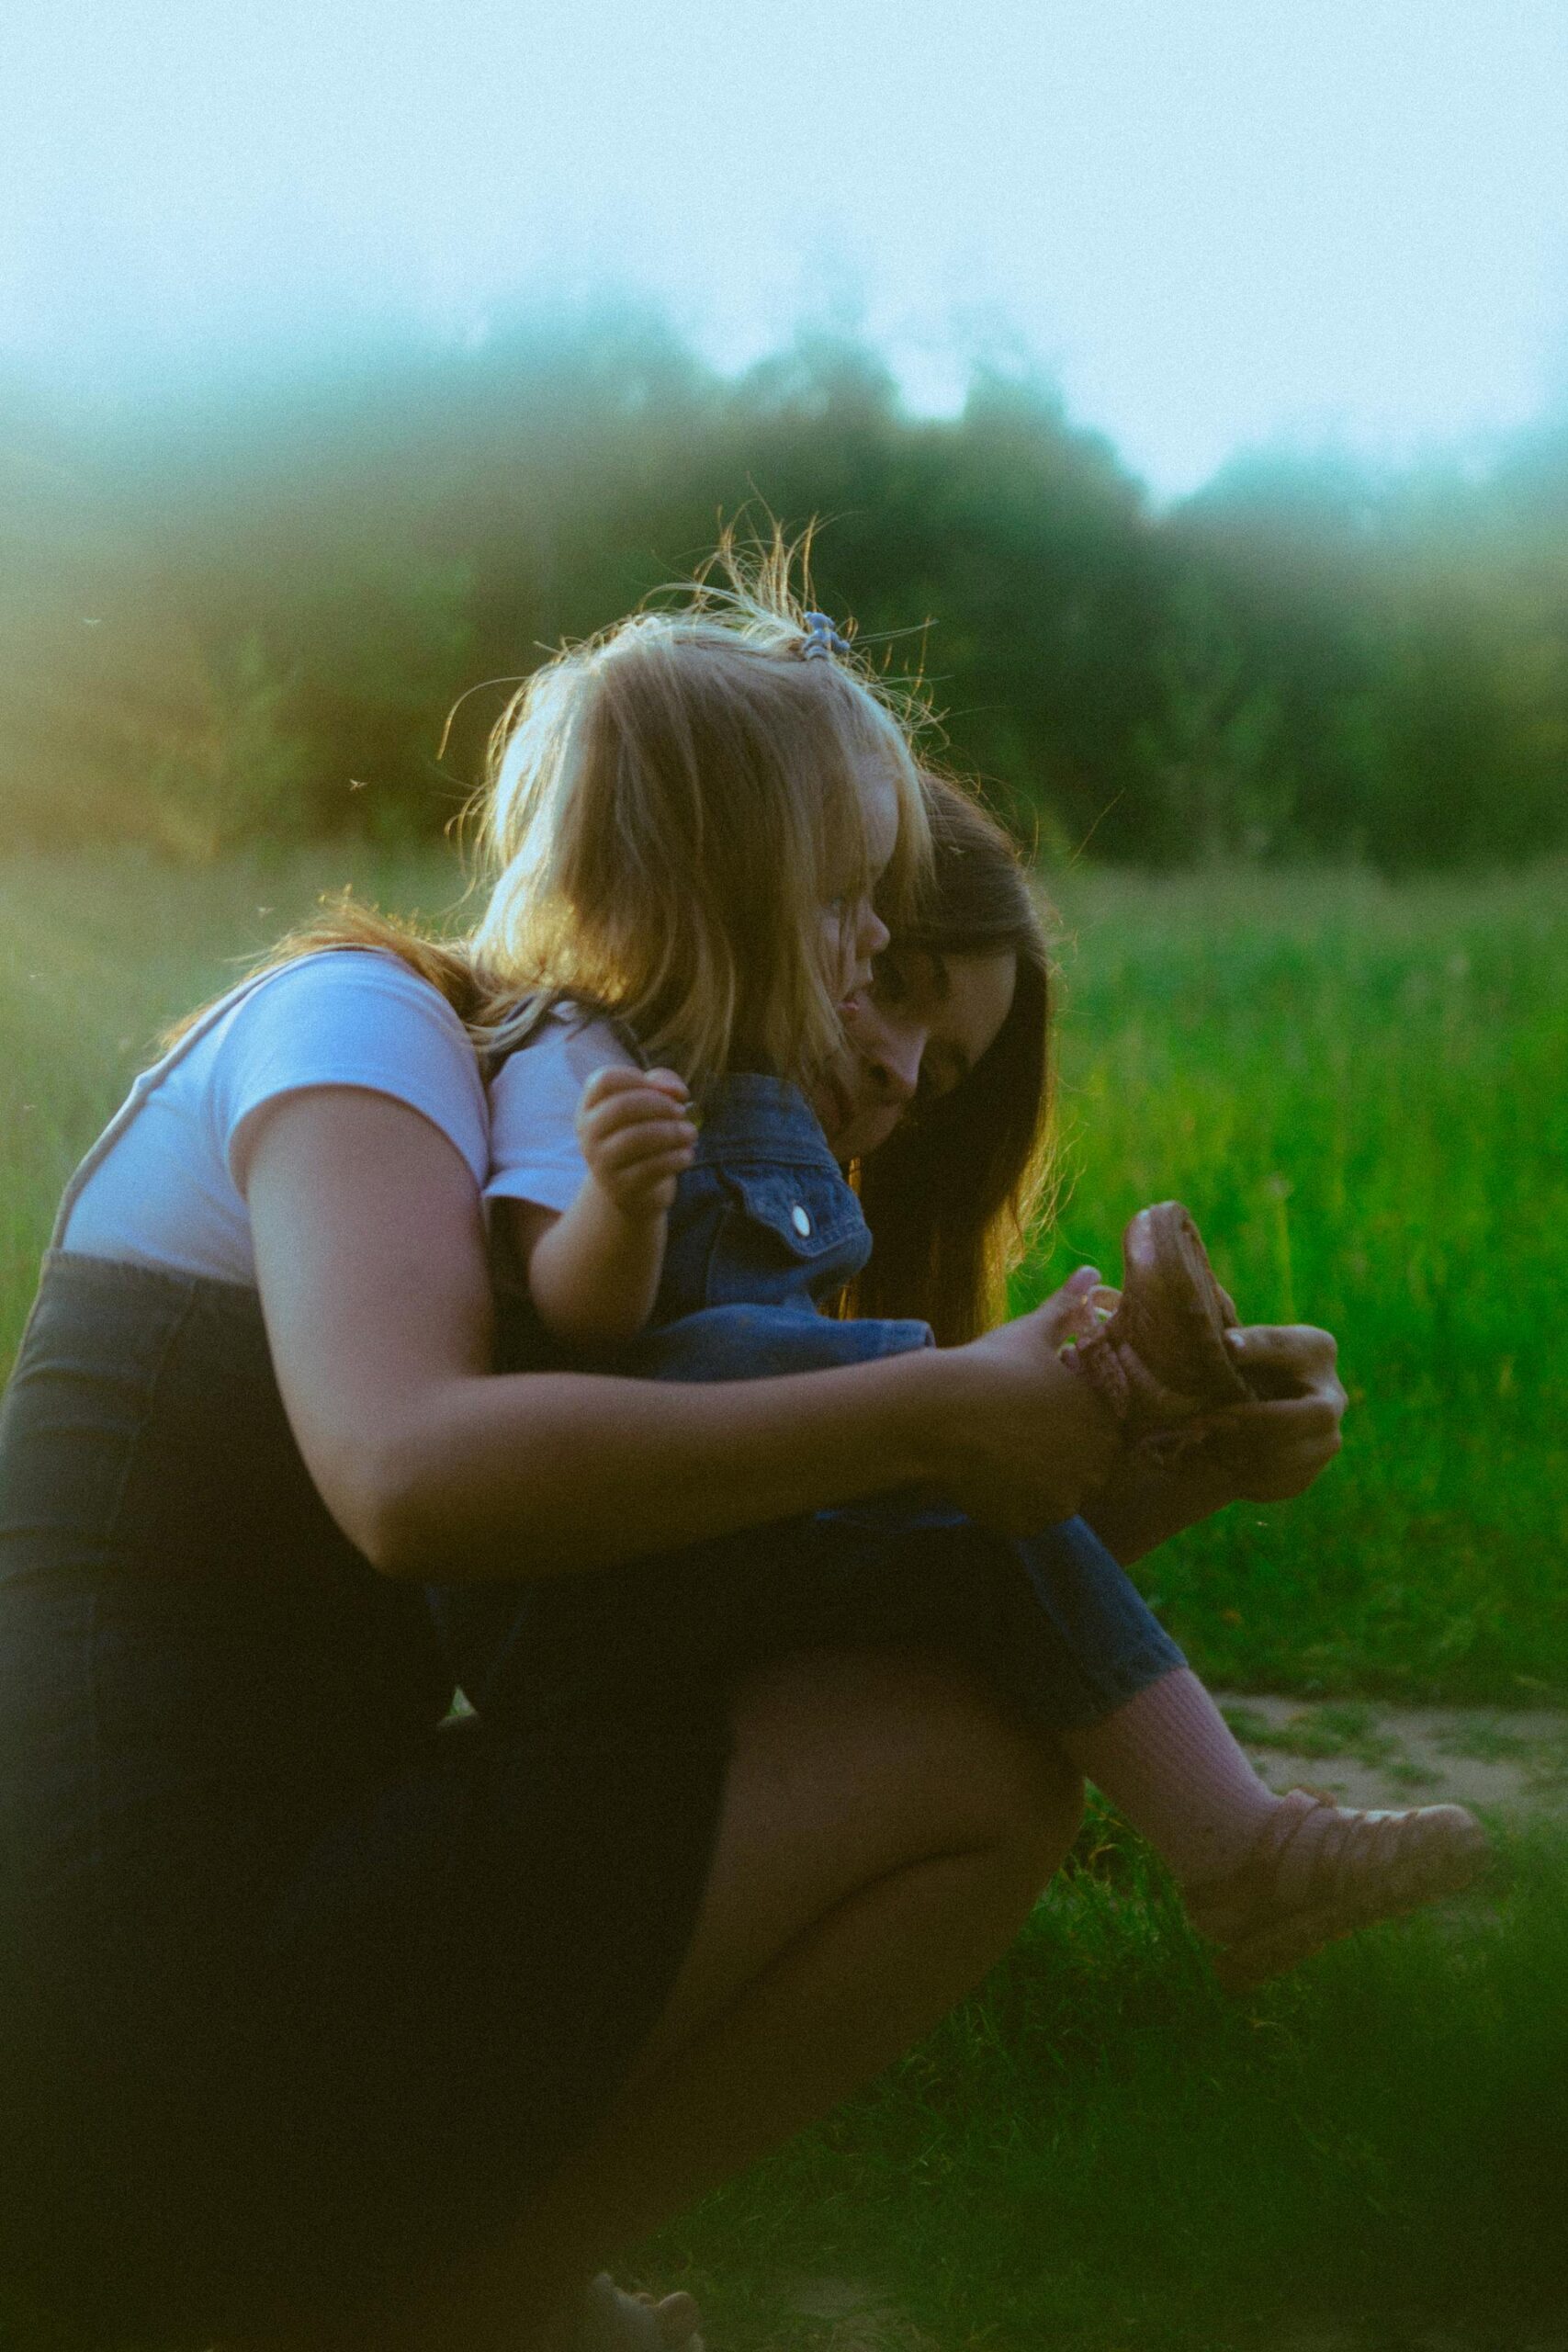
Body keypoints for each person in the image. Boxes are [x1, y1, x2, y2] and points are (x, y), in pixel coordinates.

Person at [0, 559, 1134, 2352]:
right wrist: (928, 1400)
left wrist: (1143, 1447)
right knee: (949, 1757)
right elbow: (411, 1472)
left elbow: (744, 1574)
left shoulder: (563, 1164)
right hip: (131, 2008)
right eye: (854, 916)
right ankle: (476, 2296)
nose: (878, 1015)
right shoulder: (365, 1029)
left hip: (222, 1961)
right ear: (732, 890)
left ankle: (469, 2285)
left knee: (956, 1733)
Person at [467, 693, 1485, 1996]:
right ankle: (1098, 1377)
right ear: (773, 885)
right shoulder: (597, 1064)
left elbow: (937, 1554)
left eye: (937, 1078)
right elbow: (575, 1325)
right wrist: (628, 1203)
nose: (894, 1071)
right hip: (570, 1549)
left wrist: (1199, 1466)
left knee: (954, 1494)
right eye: (887, 978)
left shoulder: (806, 1208)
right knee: (920, 1407)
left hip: (687, 1606)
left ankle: (1246, 1847)